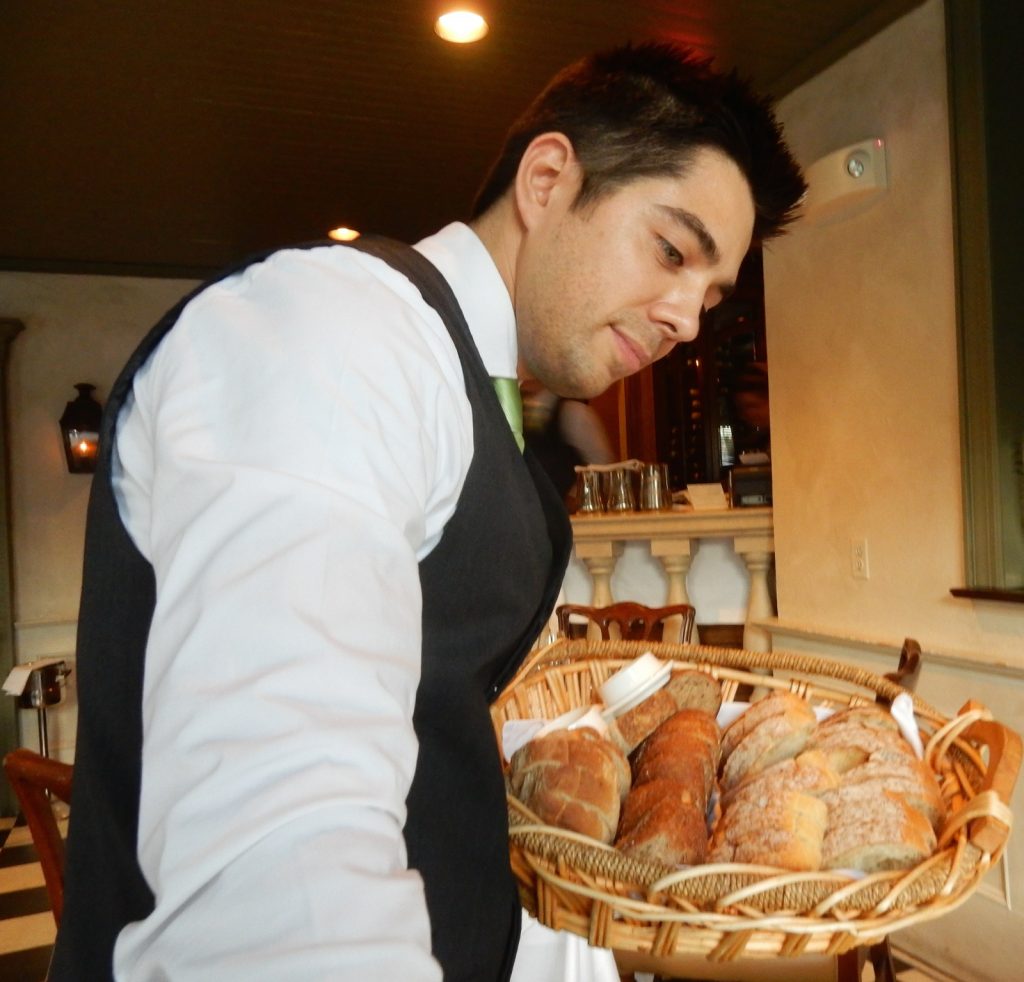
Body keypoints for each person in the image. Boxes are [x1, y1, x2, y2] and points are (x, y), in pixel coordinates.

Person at [52, 41, 805, 981]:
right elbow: (284, 886)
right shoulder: (334, 332)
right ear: (546, 179)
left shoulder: (475, 392)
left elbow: (437, 772)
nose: (688, 319)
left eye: (711, 294)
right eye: (671, 250)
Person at [521, 380, 616, 504]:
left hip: (565, 516)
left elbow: (603, 471)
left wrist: (572, 497)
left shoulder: (574, 413)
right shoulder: (511, 410)